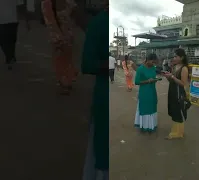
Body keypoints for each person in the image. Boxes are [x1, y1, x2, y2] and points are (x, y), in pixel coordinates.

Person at [81, 5, 109, 180]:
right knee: (102, 150)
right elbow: (87, 64)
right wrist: (108, 64)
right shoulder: (99, 22)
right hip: (104, 98)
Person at [41, 0, 79, 95]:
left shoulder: (67, 2)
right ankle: (64, 82)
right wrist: (59, 36)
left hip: (67, 35)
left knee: (67, 59)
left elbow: (75, 14)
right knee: (60, 59)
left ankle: (67, 81)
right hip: (57, 37)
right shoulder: (47, 3)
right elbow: (50, 22)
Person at [162, 48, 189, 140]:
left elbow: (183, 83)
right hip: (172, 91)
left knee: (178, 112)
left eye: (176, 56)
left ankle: (178, 133)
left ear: (181, 57)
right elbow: (172, 81)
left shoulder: (184, 68)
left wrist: (172, 76)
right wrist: (168, 76)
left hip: (179, 93)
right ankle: (175, 131)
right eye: (173, 56)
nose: (174, 58)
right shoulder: (175, 67)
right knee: (173, 110)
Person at [134, 53, 160, 133]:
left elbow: (153, 77)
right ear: (147, 60)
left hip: (152, 91)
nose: (153, 64)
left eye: (154, 63)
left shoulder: (153, 68)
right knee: (145, 109)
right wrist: (148, 81)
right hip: (144, 92)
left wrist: (155, 79)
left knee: (152, 108)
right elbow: (137, 82)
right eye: (152, 62)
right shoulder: (140, 69)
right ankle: (144, 126)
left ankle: (152, 125)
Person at [0, 1, 26, 70]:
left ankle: (10, 57)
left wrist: (26, 20)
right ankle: (10, 57)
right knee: (10, 41)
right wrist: (26, 20)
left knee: (7, 41)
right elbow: (21, 7)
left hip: (8, 21)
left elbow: (20, 7)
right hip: (11, 21)